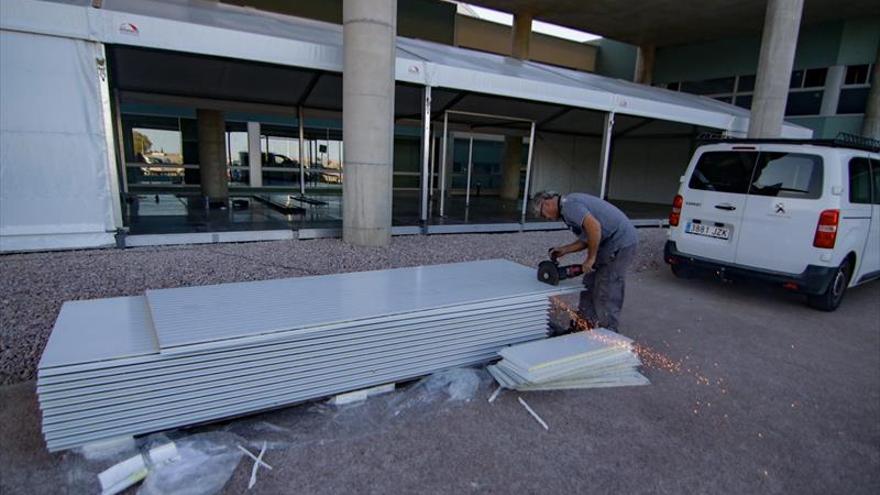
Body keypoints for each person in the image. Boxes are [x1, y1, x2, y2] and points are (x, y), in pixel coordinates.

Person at [531, 191, 638, 332]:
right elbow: (588, 237)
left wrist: (590, 258)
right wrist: (565, 249)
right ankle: (583, 327)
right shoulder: (567, 210)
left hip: (620, 243)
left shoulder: (570, 206)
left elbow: (594, 228)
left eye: (543, 214)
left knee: (606, 288)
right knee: (589, 284)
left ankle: (610, 334)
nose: (546, 218)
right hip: (607, 242)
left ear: (547, 203)